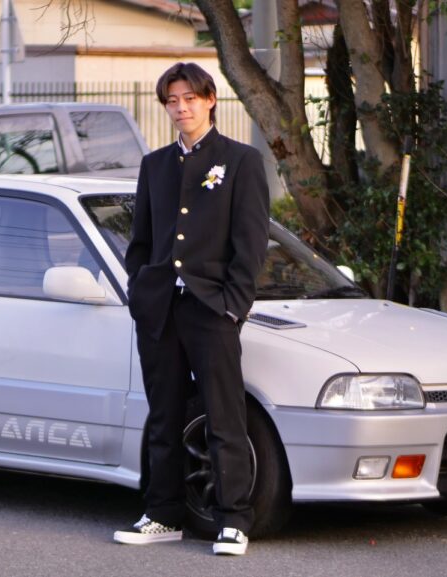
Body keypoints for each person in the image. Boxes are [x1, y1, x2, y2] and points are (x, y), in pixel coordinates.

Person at [113, 62, 270, 556]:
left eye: (189, 99)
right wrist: (141, 292)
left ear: (210, 100)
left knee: (224, 416)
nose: (181, 108)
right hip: (160, 308)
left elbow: (251, 244)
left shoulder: (240, 161)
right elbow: (140, 242)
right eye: (172, 101)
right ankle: (163, 513)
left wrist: (232, 307)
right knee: (163, 415)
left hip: (212, 308)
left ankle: (233, 520)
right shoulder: (154, 165)